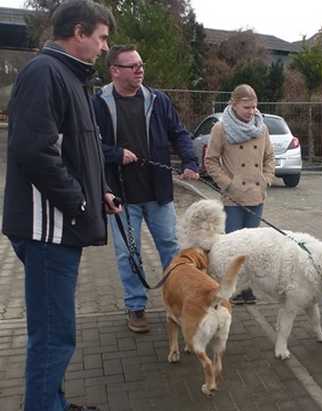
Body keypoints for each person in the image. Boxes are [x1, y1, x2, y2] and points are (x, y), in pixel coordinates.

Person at [2, 2, 120, 410]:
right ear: (79, 32)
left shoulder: (70, 77)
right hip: (47, 230)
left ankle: (51, 401)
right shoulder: (45, 73)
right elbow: (34, 151)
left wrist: (99, 189)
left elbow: (77, 150)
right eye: (102, 38)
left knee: (55, 332)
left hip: (60, 226)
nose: (105, 48)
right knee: (53, 335)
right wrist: (79, 201)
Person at [94, 45, 199, 334]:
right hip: (121, 197)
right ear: (115, 70)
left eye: (141, 64)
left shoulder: (158, 100)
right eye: (132, 66)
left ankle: (177, 302)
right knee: (128, 254)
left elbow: (178, 132)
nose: (140, 70)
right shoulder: (99, 103)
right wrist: (115, 154)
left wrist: (190, 160)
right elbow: (88, 146)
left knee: (171, 248)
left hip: (159, 193)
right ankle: (136, 307)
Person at [204, 84, 275, 304]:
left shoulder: (261, 127)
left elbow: (269, 158)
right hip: (234, 198)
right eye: (247, 107)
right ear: (233, 104)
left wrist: (266, 180)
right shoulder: (221, 129)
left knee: (252, 246)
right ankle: (228, 285)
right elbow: (211, 160)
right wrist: (228, 184)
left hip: (256, 194)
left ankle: (246, 288)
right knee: (233, 245)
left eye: (254, 107)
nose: (252, 111)